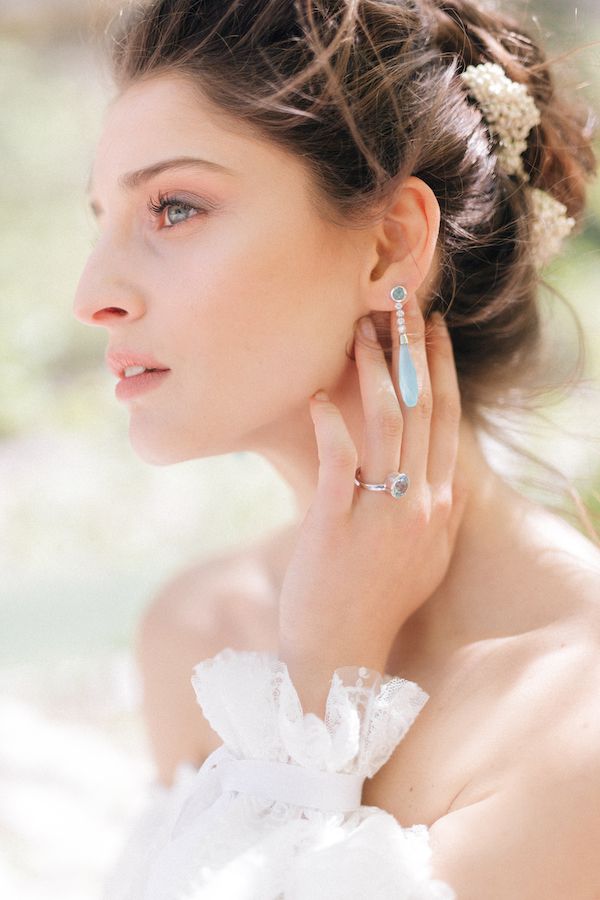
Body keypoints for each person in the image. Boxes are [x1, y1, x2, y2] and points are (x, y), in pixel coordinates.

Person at [74, 0, 600, 896]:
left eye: (173, 207)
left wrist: (317, 698)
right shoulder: (202, 632)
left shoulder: (573, 716)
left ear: (390, 244)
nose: (93, 296)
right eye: (101, 219)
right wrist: (319, 668)